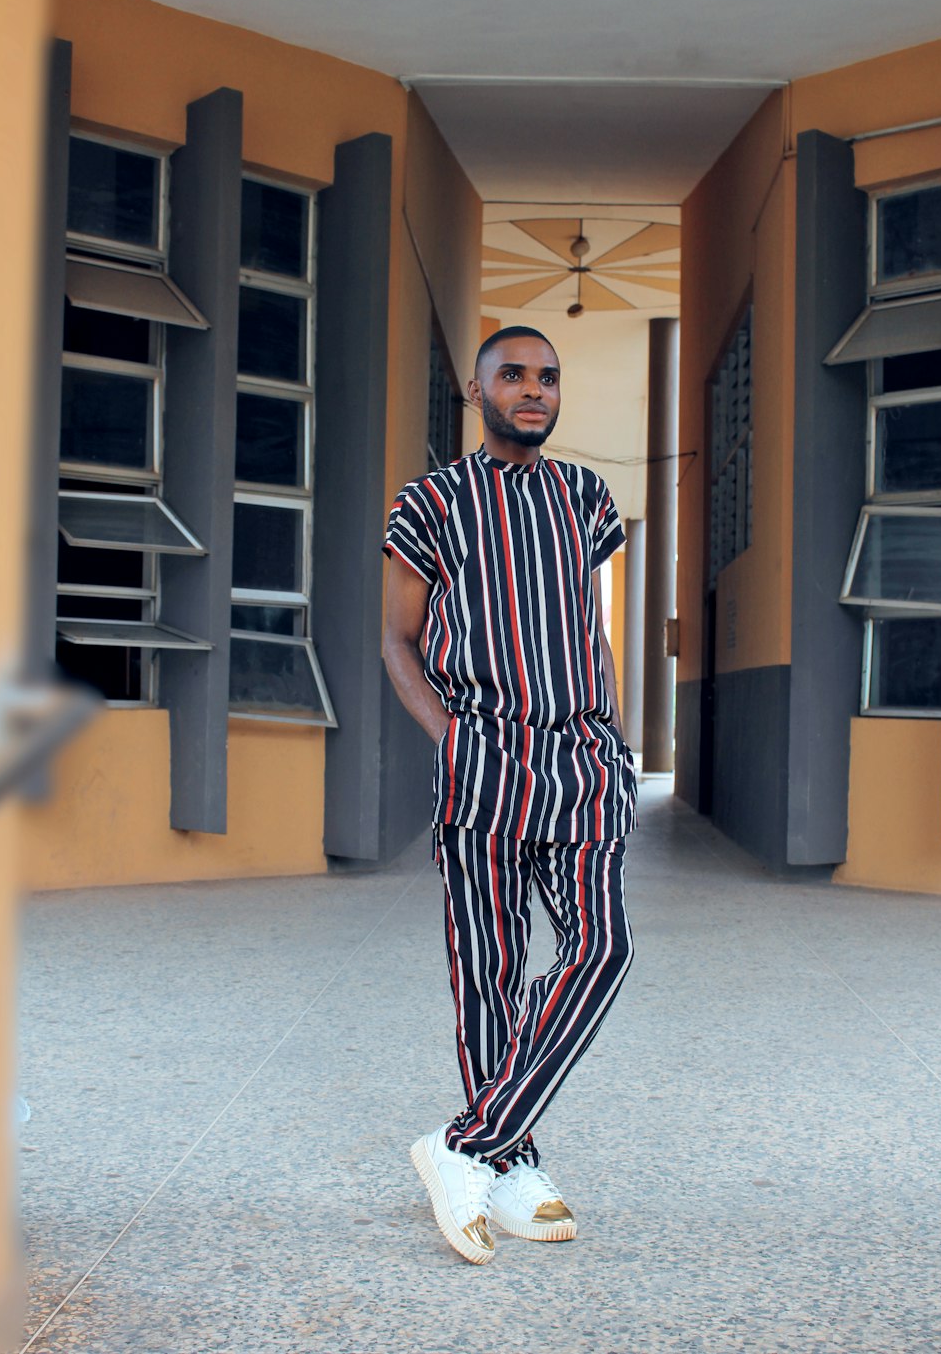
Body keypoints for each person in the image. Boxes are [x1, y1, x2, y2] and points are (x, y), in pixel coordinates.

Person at [382, 326, 636, 1265]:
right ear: (478, 389)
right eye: (514, 375)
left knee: (600, 947)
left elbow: (588, 626)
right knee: (486, 975)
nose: (534, 390)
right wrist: (453, 740)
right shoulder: (429, 503)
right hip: (484, 756)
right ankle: (515, 1159)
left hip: (579, 759)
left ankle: (462, 1143)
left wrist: (609, 731)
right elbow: (396, 642)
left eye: (548, 377)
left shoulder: (587, 497)